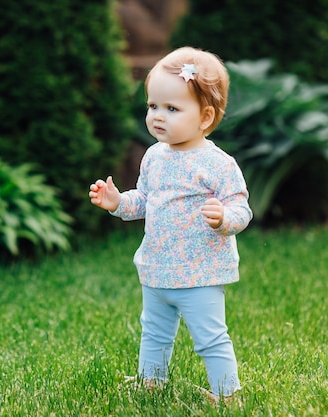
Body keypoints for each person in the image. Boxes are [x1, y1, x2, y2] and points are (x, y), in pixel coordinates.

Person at [88, 46, 252, 403]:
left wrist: (225, 219)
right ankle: (151, 381)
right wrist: (118, 203)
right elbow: (145, 201)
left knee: (209, 336)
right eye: (153, 106)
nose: (158, 117)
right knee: (155, 332)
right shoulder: (154, 156)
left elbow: (241, 208)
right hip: (157, 269)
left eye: (172, 108)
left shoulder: (217, 164)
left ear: (205, 117)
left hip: (199, 274)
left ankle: (228, 394)